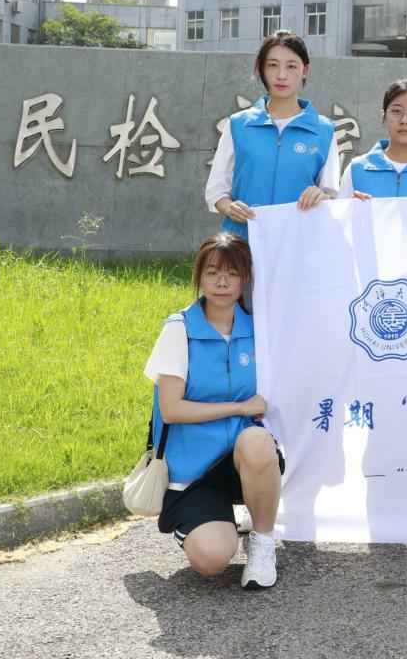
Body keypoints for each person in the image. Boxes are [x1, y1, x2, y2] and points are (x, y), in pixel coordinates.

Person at [144, 233, 284, 589]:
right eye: (212, 273)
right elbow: (171, 410)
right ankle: (215, 522)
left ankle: (263, 543)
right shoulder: (179, 329)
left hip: (244, 458)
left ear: (245, 279)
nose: (222, 282)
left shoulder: (260, 330)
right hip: (193, 472)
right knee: (211, 559)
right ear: (199, 277)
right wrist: (239, 407)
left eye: (232, 274)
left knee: (257, 441)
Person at [205, 30, 339, 238]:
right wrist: (230, 208)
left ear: (305, 70)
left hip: (298, 242)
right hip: (242, 241)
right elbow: (216, 191)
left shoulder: (324, 131)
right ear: (261, 69)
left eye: (291, 66)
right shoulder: (238, 125)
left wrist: (321, 196)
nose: (281, 75)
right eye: (273, 65)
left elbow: (332, 195)